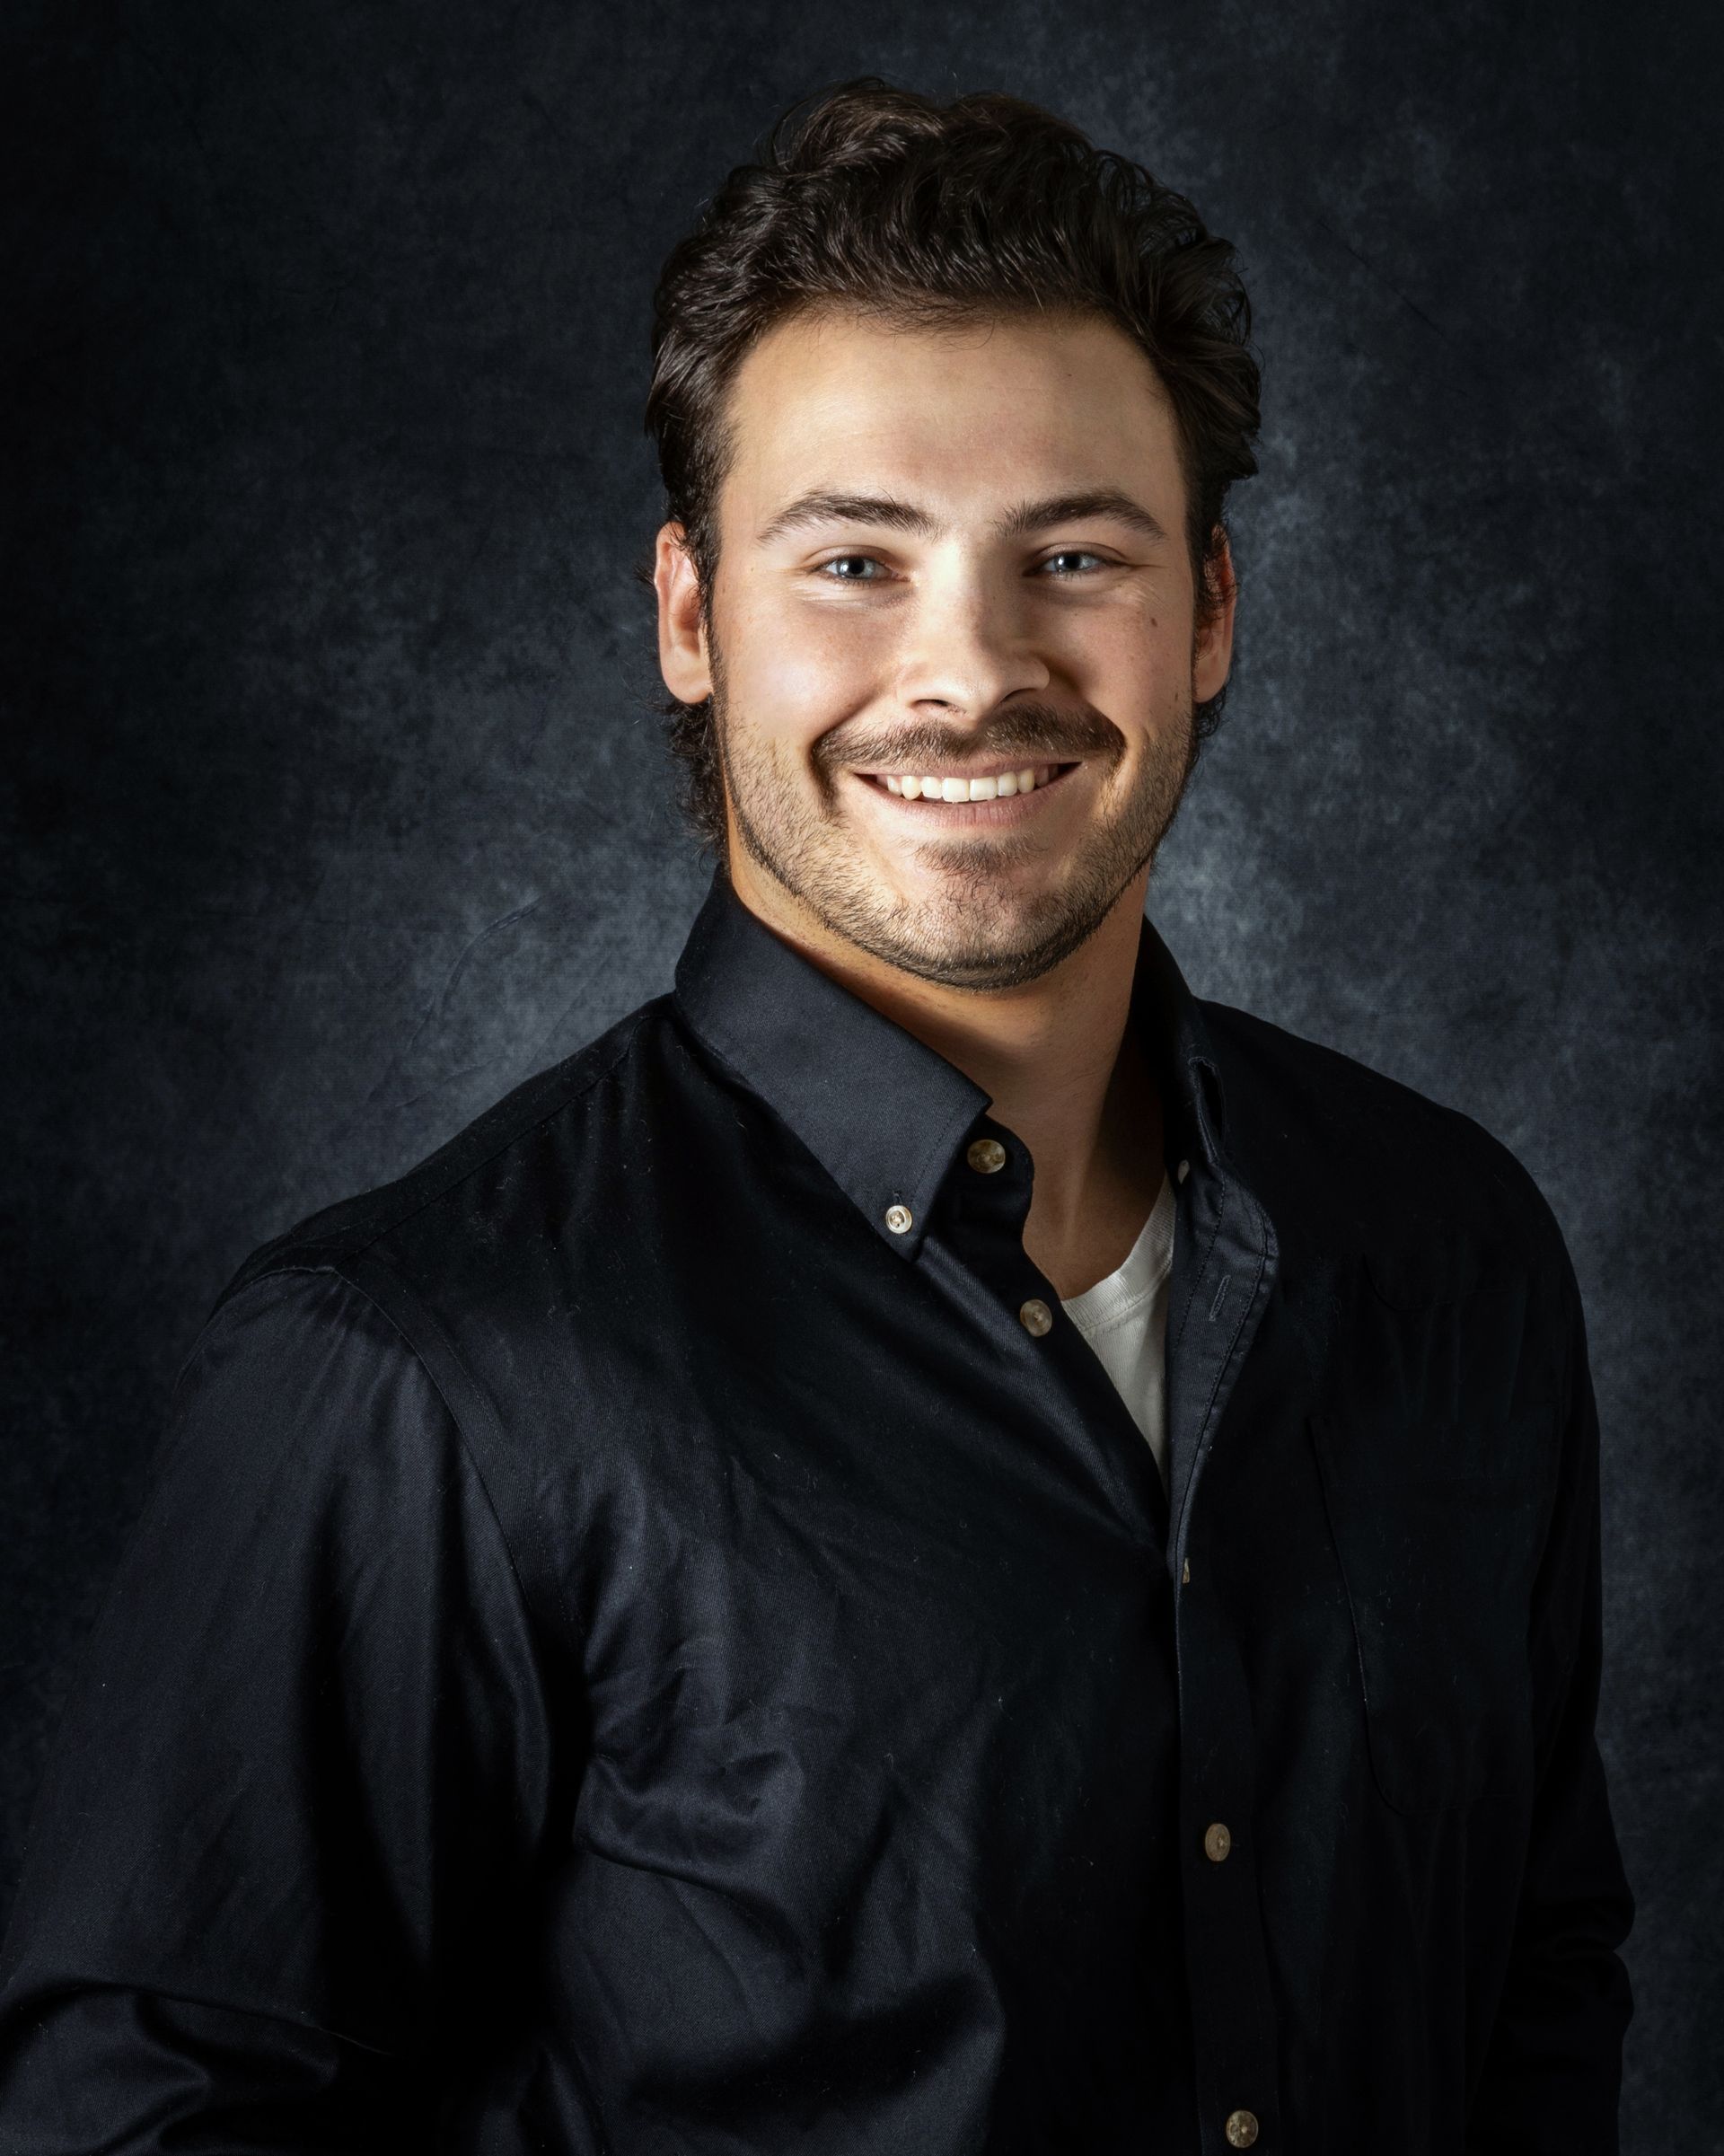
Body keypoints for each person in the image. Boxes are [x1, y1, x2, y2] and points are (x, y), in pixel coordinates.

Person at [0, 78, 1633, 2155]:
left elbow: (1539, 1981)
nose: (971, 670)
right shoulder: (412, 1369)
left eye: (1075, 552)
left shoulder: (1456, 1247)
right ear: (692, 618)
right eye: (856, 557)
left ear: (1209, 609)